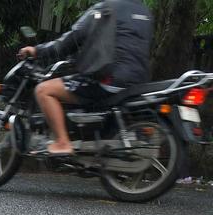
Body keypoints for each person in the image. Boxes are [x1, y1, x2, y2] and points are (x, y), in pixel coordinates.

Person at [17, 0, 152, 156]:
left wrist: (37, 50)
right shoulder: (145, 12)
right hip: (138, 80)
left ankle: (62, 142)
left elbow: (70, 40)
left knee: (43, 90)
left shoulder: (105, 7)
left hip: (111, 78)